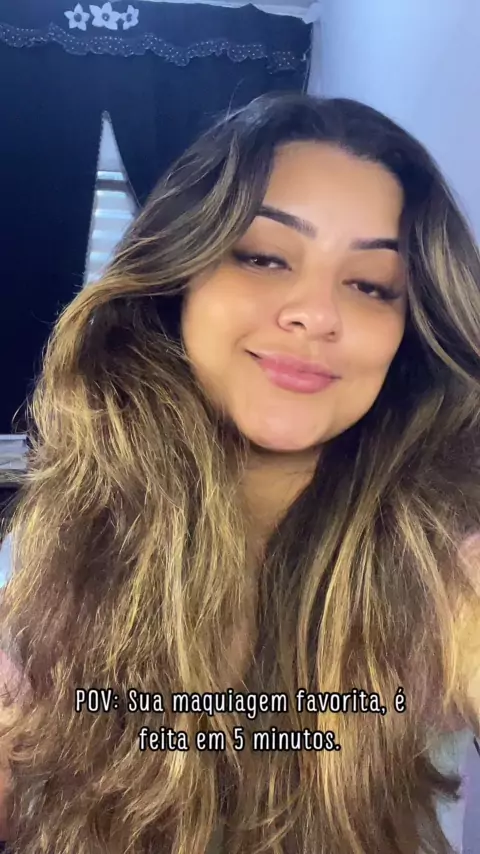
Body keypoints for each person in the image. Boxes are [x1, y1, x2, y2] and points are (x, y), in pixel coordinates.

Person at [0, 91, 479, 854]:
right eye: (263, 257)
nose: (315, 313)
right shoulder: (44, 554)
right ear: (178, 278)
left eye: (369, 285)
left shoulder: (443, 563)